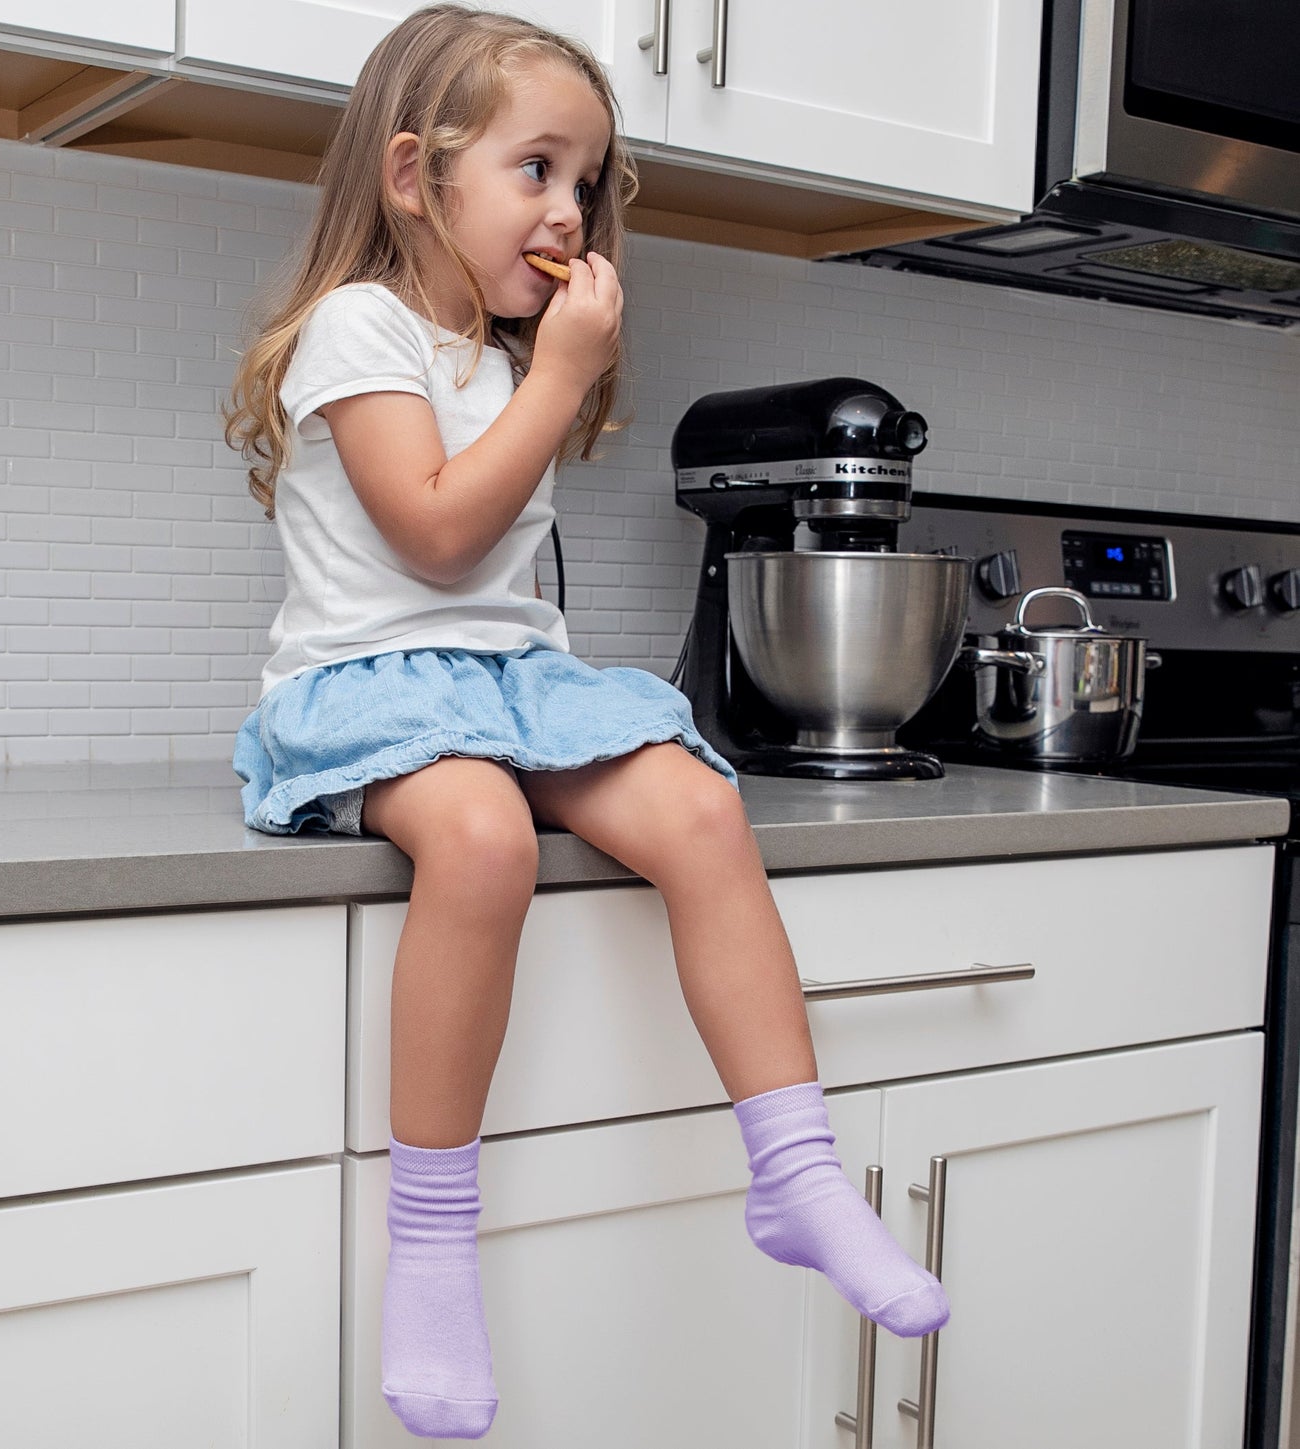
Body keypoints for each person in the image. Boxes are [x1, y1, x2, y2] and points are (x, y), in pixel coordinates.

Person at [225, 5, 948, 1439]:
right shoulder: (355, 330)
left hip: (508, 681)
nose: (570, 210)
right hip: (372, 686)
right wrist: (556, 378)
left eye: (587, 179)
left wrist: (540, 372)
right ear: (414, 176)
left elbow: (497, 594)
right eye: (538, 169)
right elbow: (432, 538)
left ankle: (794, 1167)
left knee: (696, 802)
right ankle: (431, 1246)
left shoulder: (502, 355)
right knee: (482, 837)